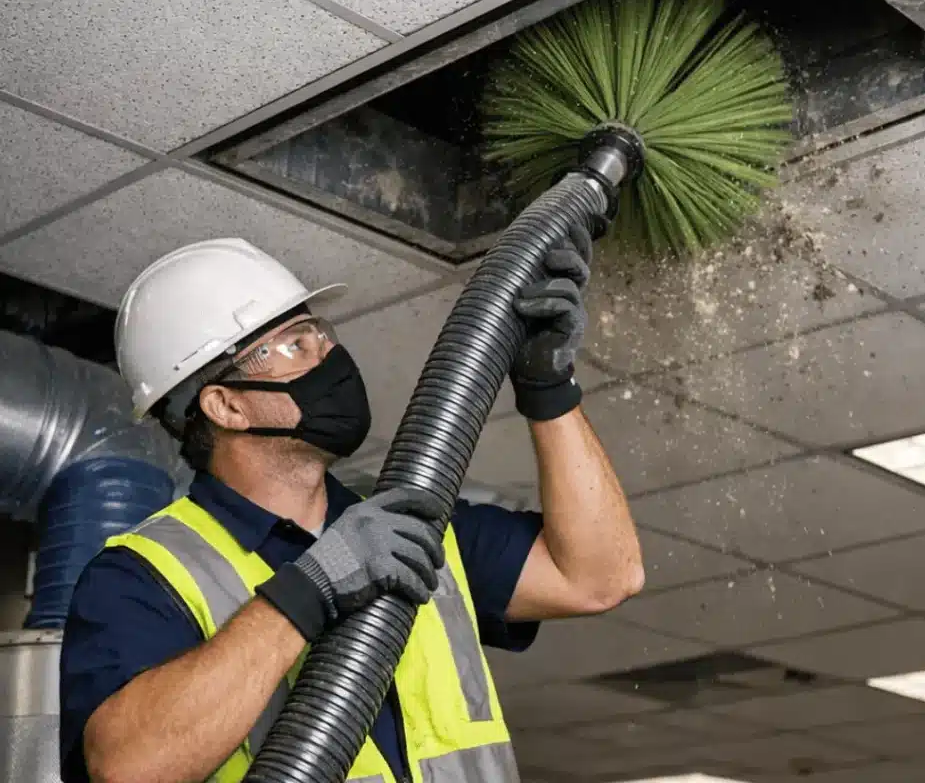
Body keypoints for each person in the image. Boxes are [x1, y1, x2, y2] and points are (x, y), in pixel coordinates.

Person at [59, 232, 644, 783]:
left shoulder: (416, 524)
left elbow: (601, 576)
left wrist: (549, 387)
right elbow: (129, 768)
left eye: (321, 333)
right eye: (295, 345)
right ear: (226, 406)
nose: (331, 357)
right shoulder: (141, 576)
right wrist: (307, 590)